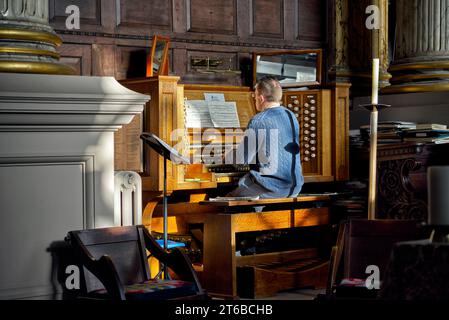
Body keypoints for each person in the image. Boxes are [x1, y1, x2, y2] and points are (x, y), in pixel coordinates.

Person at [226, 76, 304, 199]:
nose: (255, 99)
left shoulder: (258, 120)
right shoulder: (291, 116)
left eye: (255, 96)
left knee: (223, 202)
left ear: (261, 98)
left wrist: (227, 154)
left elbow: (242, 160)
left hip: (269, 188)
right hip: (294, 187)